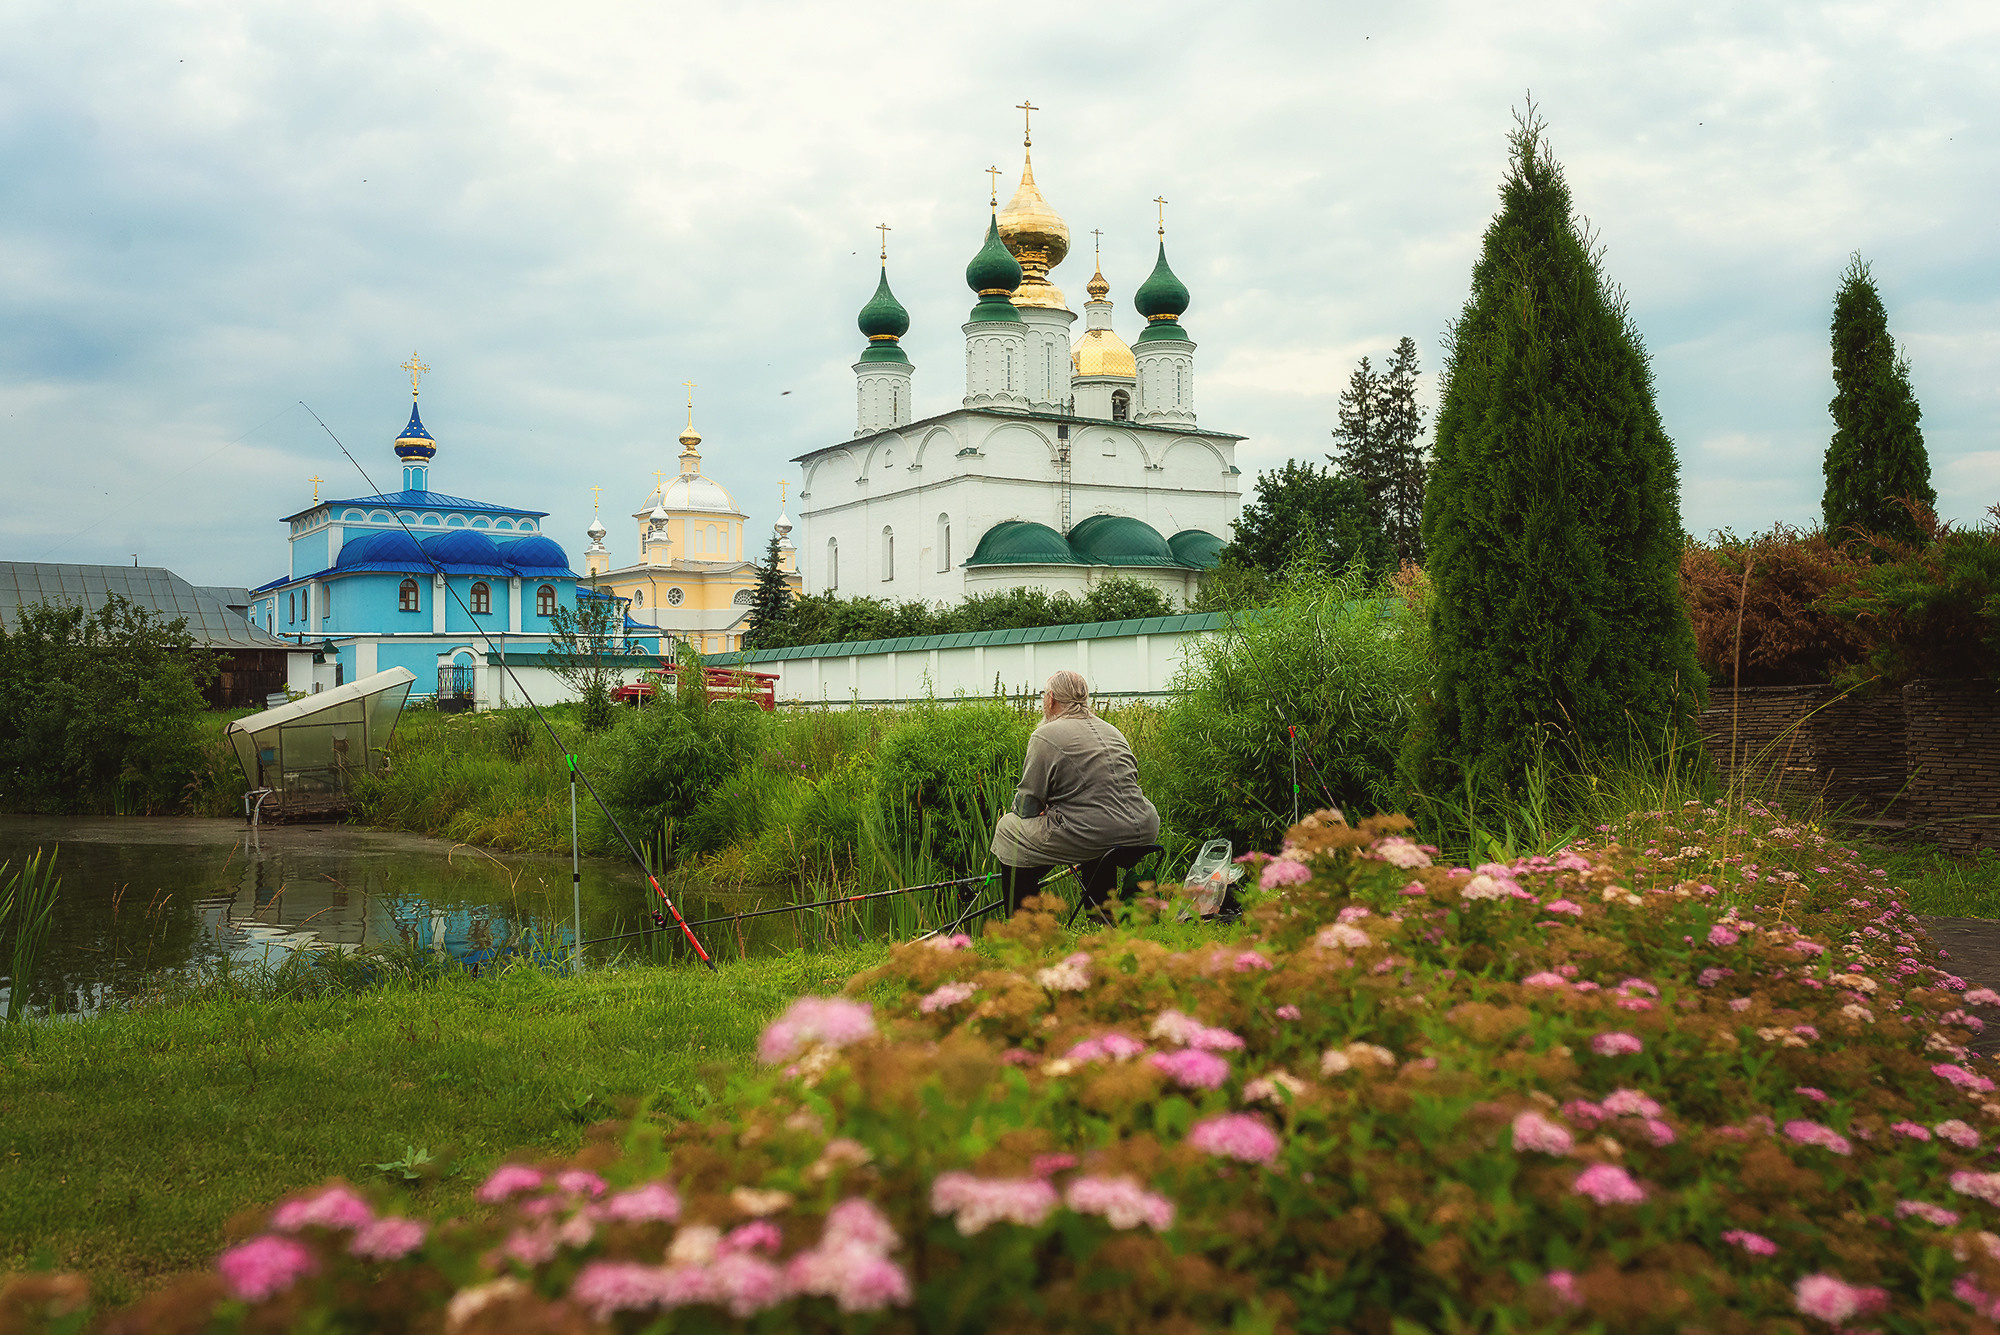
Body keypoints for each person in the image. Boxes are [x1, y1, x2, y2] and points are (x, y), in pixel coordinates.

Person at [989, 669, 1160, 915]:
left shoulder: (1045, 735)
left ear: (1050, 699)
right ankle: (1102, 913)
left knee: (1009, 829)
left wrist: (1043, 809)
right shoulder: (1112, 730)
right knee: (1095, 823)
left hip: (1097, 833)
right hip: (1144, 826)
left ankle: (1024, 925)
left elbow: (1028, 804)